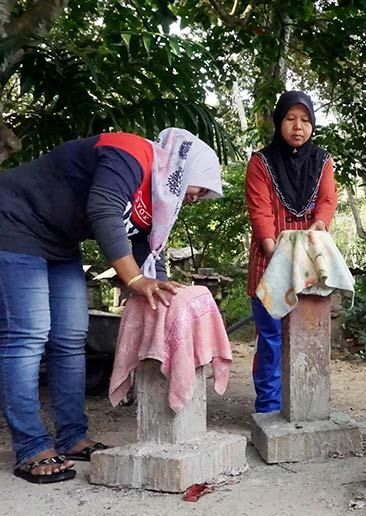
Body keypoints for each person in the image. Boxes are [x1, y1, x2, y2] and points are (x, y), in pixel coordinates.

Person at [0, 128, 223, 484]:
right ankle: (31, 446)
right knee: (28, 334)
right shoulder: (130, 152)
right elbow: (103, 209)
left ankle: (72, 437)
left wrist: (163, 293)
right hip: (13, 221)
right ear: (186, 170)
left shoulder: (157, 199)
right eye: (201, 187)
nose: (198, 197)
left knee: (72, 336)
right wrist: (135, 281)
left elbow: (149, 253)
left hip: (59, 241)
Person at [245, 91, 338, 413]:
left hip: (311, 262)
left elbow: (326, 201)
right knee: (271, 338)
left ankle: (306, 405)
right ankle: (269, 408)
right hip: (268, 260)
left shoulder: (322, 160)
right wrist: (275, 253)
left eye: (305, 120)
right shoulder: (261, 161)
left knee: (308, 333)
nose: (298, 127)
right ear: (278, 121)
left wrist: (320, 225)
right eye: (290, 119)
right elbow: (260, 210)